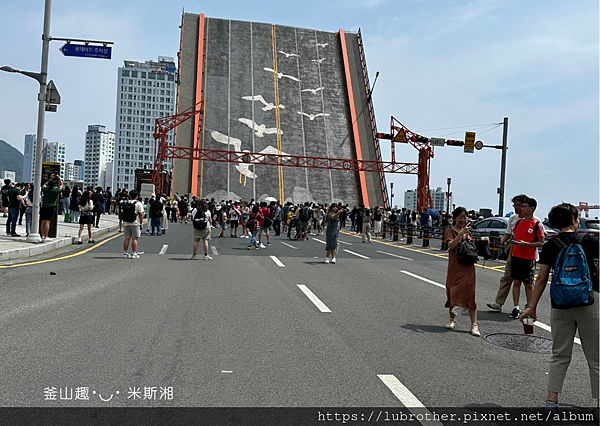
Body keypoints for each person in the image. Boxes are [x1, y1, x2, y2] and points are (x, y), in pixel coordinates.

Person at [520, 203, 599, 412]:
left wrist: (532, 307)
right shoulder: (589, 240)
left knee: (559, 354)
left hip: (561, 304)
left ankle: (551, 401)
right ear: (575, 219)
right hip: (589, 301)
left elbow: (541, 279)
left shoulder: (551, 245)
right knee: (596, 357)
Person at [488, 195, 528, 312]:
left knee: (527, 282)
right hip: (513, 252)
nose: (516, 208)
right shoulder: (513, 218)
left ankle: (529, 306)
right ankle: (499, 303)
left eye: (519, 205)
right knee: (506, 278)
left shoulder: (532, 220)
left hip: (526, 255)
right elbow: (508, 233)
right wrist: (501, 240)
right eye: (514, 205)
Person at [444, 206, 480, 336]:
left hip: (468, 267)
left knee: (470, 294)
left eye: (464, 217)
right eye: (460, 217)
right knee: (452, 292)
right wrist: (460, 234)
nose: (463, 220)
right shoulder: (449, 231)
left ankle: (474, 325)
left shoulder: (468, 232)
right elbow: (451, 245)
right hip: (455, 267)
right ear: (454, 218)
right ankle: (452, 320)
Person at [509, 197, 545, 319]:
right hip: (516, 256)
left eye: (524, 206)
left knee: (528, 284)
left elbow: (541, 242)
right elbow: (514, 238)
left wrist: (526, 244)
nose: (521, 209)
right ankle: (516, 307)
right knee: (516, 282)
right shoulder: (519, 222)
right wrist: (510, 254)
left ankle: (530, 308)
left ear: (532, 208)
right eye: (521, 206)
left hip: (528, 258)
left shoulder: (537, 224)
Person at [121, 189, 144, 258]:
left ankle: (125, 253)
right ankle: (134, 253)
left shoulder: (126, 202)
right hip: (135, 223)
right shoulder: (138, 203)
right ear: (136, 196)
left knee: (127, 238)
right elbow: (141, 214)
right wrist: (141, 223)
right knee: (134, 238)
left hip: (126, 222)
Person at [40, 174, 63, 240]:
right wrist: (59, 179)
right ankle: (46, 236)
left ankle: (42, 235)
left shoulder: (45, 189)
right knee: (48, 222)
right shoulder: (55, 190)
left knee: (43, 221)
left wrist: (51, 179)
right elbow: (61, 185)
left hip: (44, 206)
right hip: (51, 206)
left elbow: (44, 185)